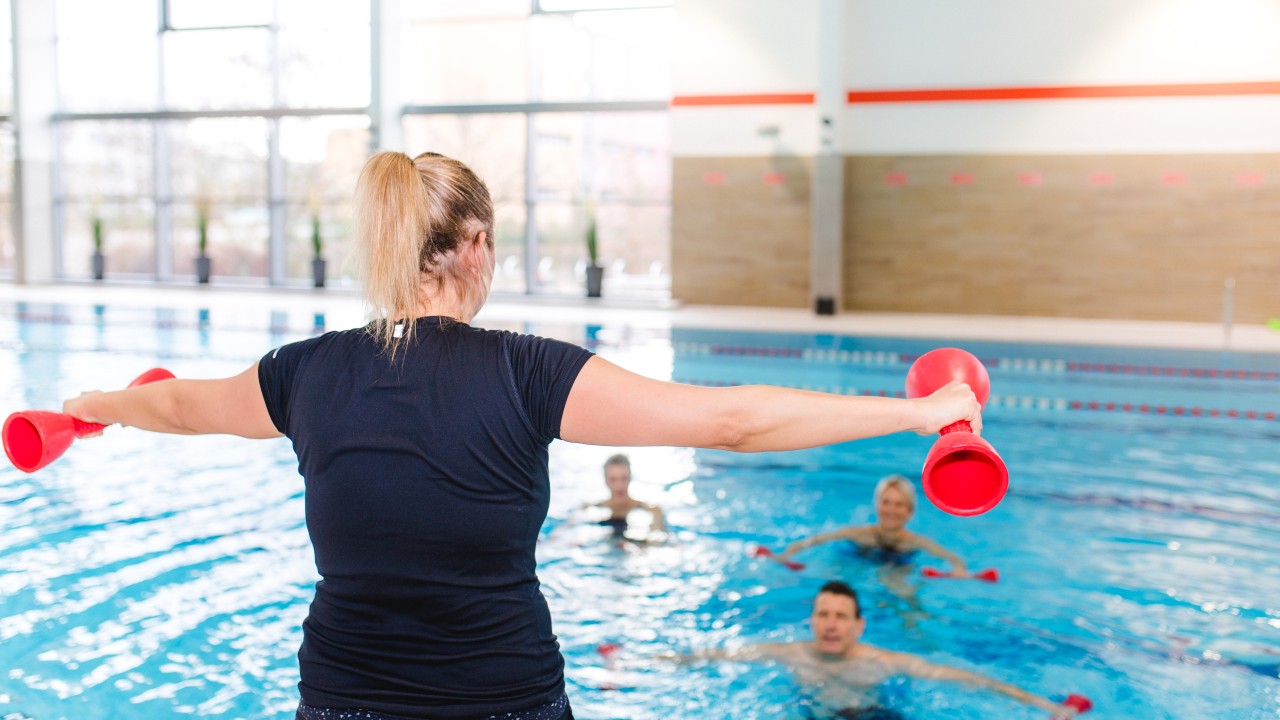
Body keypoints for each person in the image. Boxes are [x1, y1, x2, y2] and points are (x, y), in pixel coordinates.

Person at [61, 150, 983, 720]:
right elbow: (730, 418)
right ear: (473, 244)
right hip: (503, 700)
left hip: (342, 698)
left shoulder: (303, 374)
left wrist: (87, 408)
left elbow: (181, 405)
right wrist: (917, 413)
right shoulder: (528, 372)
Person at [679, 581, 1081, 719]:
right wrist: (636, 661)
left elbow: (965, 679)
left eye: (840, 616)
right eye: (823, 615)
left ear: (859, 626)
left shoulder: (882, 661)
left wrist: (1043, 705)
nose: (831, 624)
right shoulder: (788, 652)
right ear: (812, 621)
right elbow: (714, 656)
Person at [779, 475, 971, 576]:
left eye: (899, 504)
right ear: (877, 506)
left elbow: (953, 558)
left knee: (903, 591)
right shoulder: (860, 534)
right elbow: (817, 540)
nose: (891, 510)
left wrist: (959, 570)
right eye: (886, 502)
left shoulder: (915, 543)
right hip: (860, 558)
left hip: (899, 564)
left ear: (909, 511)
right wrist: (788, 553)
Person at [582, 453, 666, 538]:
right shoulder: (588, 509)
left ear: (630, 478)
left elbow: (657, 538)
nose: (619, 486)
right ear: (606, 480)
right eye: (613, 479)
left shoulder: (653, 510)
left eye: (624, 478)